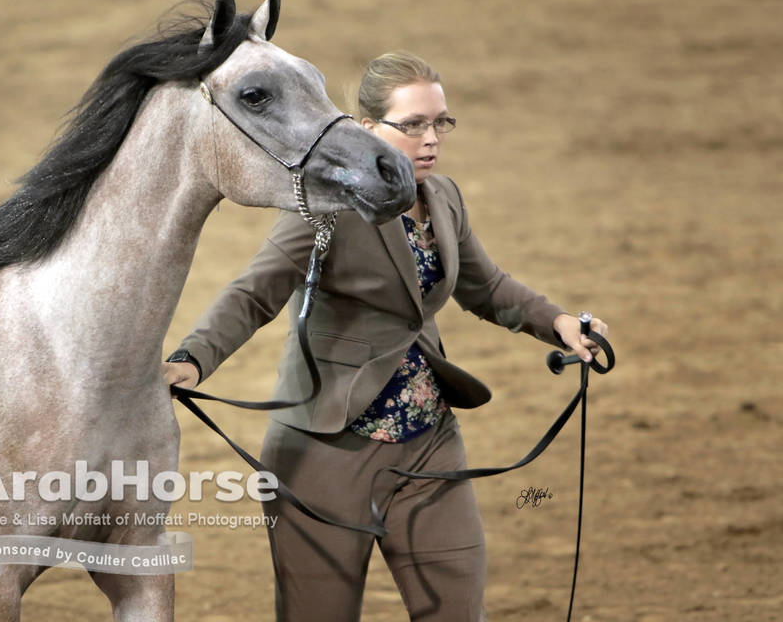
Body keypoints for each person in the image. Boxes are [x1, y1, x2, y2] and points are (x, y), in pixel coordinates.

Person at [161, 51, 608, 622]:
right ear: (367, 128)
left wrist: (559, 323)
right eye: (413, 124)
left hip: (429, 444)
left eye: (440, 122)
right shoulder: (326, 205)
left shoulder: (443, 197)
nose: (431, 139)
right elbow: (255, 291)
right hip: (324, 455)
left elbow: (487, 286)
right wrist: (192, 359)